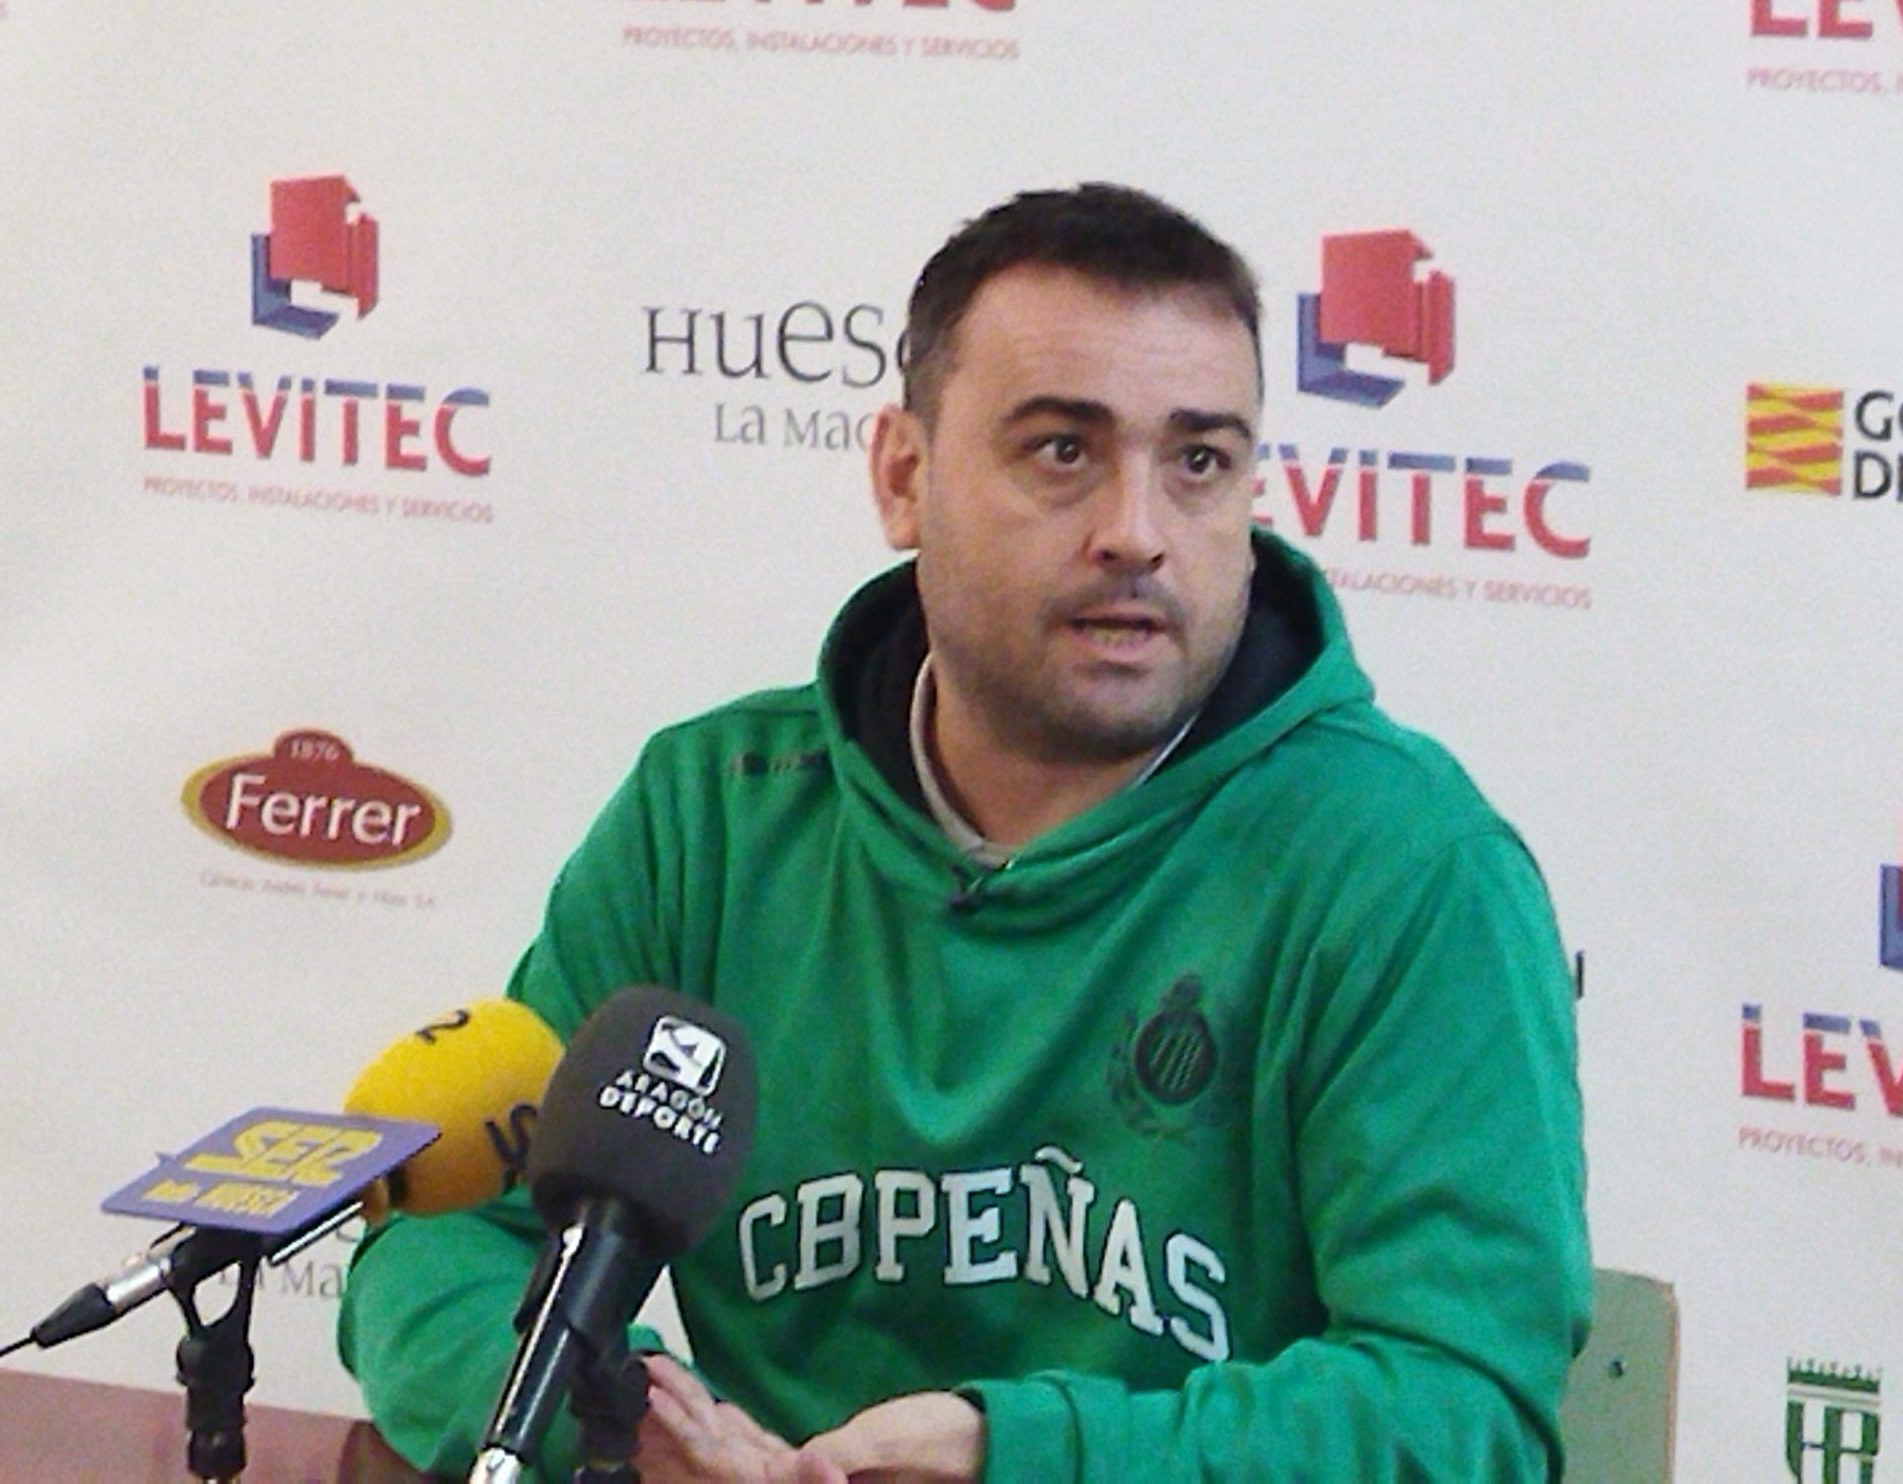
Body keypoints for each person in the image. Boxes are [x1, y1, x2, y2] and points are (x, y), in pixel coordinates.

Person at [339, 183, 1590, 1482]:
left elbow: (1463, 1412)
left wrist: (1024, 1456)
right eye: (1063, 451)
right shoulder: (711, 816)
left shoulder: (1408, 870)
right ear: (902, 475)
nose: (1138, 533)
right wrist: (620, 1427)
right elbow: (445, 1241)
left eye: (1199, 461)